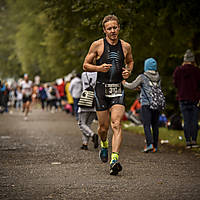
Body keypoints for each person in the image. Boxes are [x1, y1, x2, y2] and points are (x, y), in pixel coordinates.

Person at [83, 15, 134, 175]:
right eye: (109, 28)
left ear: (119, 28)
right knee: (103, 128)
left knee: (117, 124)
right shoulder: (97, 45)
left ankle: (114, 159)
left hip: (117, 89)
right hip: (101, 90)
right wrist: (99, 68)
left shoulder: (125, 46)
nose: (113, 31)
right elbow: (85, 65)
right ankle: (104, 145)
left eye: (115, 27)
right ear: (105, 30)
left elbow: (130, 61)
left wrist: (128, 71)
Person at [122, 58, 162, 153]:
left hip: (146, 104)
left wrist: (124, 83)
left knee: (146, 125)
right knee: (155, 125)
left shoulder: (143, 76)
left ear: (146, 66)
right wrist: (142, 87)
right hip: (156, 103)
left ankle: (149, 144)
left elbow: (131, 85)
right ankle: (155, 146)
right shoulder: (158, 76)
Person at [173, 49, 200, 149]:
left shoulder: (178, 70)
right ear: (193, 60)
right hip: (194, 98)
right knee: (194, 121)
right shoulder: (197, 71)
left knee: (186, 120)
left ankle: (188, 141)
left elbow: (175, 84)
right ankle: (194, 140)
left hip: (182, 97)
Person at [78, 72, 99, 150]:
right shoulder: (98, 73)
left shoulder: (84, 74)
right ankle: (85, 143)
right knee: (88, 124)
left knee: (81, 124)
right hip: (94, 101)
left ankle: (93, 135)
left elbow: (81, 86)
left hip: (85, 100)